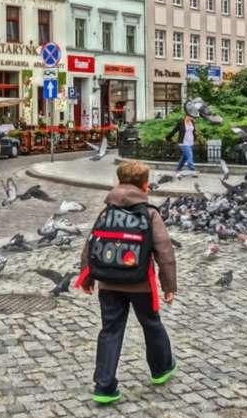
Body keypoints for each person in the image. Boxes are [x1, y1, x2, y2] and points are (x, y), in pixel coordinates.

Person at [75, 160, 177, 405]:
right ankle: (161, 369)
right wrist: (169, 286)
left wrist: (86, 276)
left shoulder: (106, 211)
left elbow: (92, 245)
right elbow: (165, 252)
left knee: (110, 330)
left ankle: (104, 385)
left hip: (109, 283)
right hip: (141, 283)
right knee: (151, 324)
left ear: (118, 182)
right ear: (145, 186)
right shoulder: (150, 213)